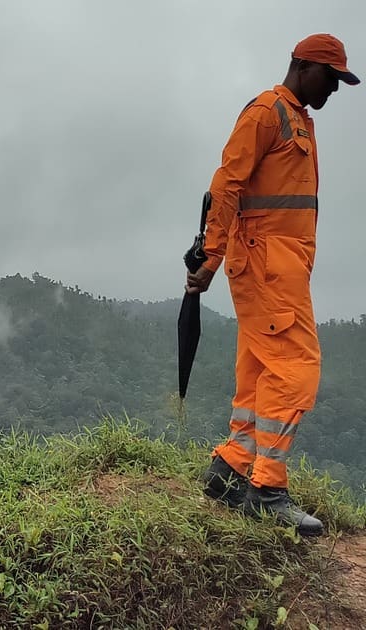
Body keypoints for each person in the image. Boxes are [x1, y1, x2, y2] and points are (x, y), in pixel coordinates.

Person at [191, 34, 358, 537]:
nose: (333, 89)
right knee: (296, 367)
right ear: (302, 66)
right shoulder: (268, 112)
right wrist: (211, 255)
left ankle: (229, 469)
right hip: (265, 263)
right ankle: (266, 491)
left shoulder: (298, 118)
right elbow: (226, 184)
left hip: (280, 266)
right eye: (330, 77)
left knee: (260, 368)